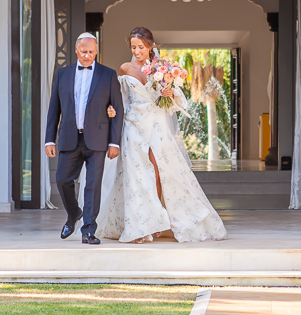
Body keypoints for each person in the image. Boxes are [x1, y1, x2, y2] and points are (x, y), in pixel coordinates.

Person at [96, 27, 227, 243]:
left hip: (156, 124)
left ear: (150, 46)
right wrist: (111, 110)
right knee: (135, 174)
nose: (136, 51)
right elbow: (120, 99)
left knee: (159, 171)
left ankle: (157, 220)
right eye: (133, 47)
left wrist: (169, 93)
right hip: (132, 125)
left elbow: (175, 102)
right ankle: (140, 225)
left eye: (140, 47)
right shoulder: (125, 68)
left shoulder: (162, 68)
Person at [45, 32, 124, 245]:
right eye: (83, 51)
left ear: (96, 51)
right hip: (70, 138)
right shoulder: (63, 74)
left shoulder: (108, 75)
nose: (87, 55)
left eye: (91, 52)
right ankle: (73, 214)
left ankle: (89, 230)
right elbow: (54, 109)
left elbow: (118, 109)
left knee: (92, 185)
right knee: (62, 179)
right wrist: (49, 139)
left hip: (98, 139)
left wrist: (114, 142)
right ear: (76, 50)